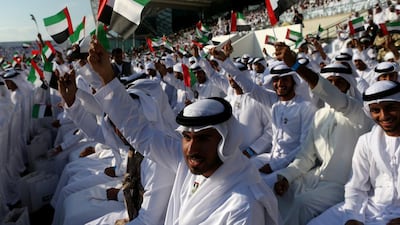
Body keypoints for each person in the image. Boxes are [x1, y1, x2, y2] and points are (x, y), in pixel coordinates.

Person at [87, 37, 280, 225]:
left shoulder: (244, 205)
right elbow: (140, 132)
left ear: (224, 140)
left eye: (203, 138)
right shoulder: (186, 160)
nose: (192, 147)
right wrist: (107, 77)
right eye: (187, 137)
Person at [271, 42, 374, 225]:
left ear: (348, 85)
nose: (333, 86)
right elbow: (306, 156)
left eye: (338, 83)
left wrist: (296, 66)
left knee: (302, 205)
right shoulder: (320, 115)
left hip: (342, 185)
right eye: (330, 82)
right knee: (273, 191)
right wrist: (287, 176)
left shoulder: (358, 112)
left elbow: (335, 98)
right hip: (315, 177)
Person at [307, 80, 400, 225]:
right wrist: (353, 217)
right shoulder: (367, 141)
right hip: (372, 206)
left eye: (391, 108)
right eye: (376, 110)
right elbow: (356, 186)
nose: (384, 116)